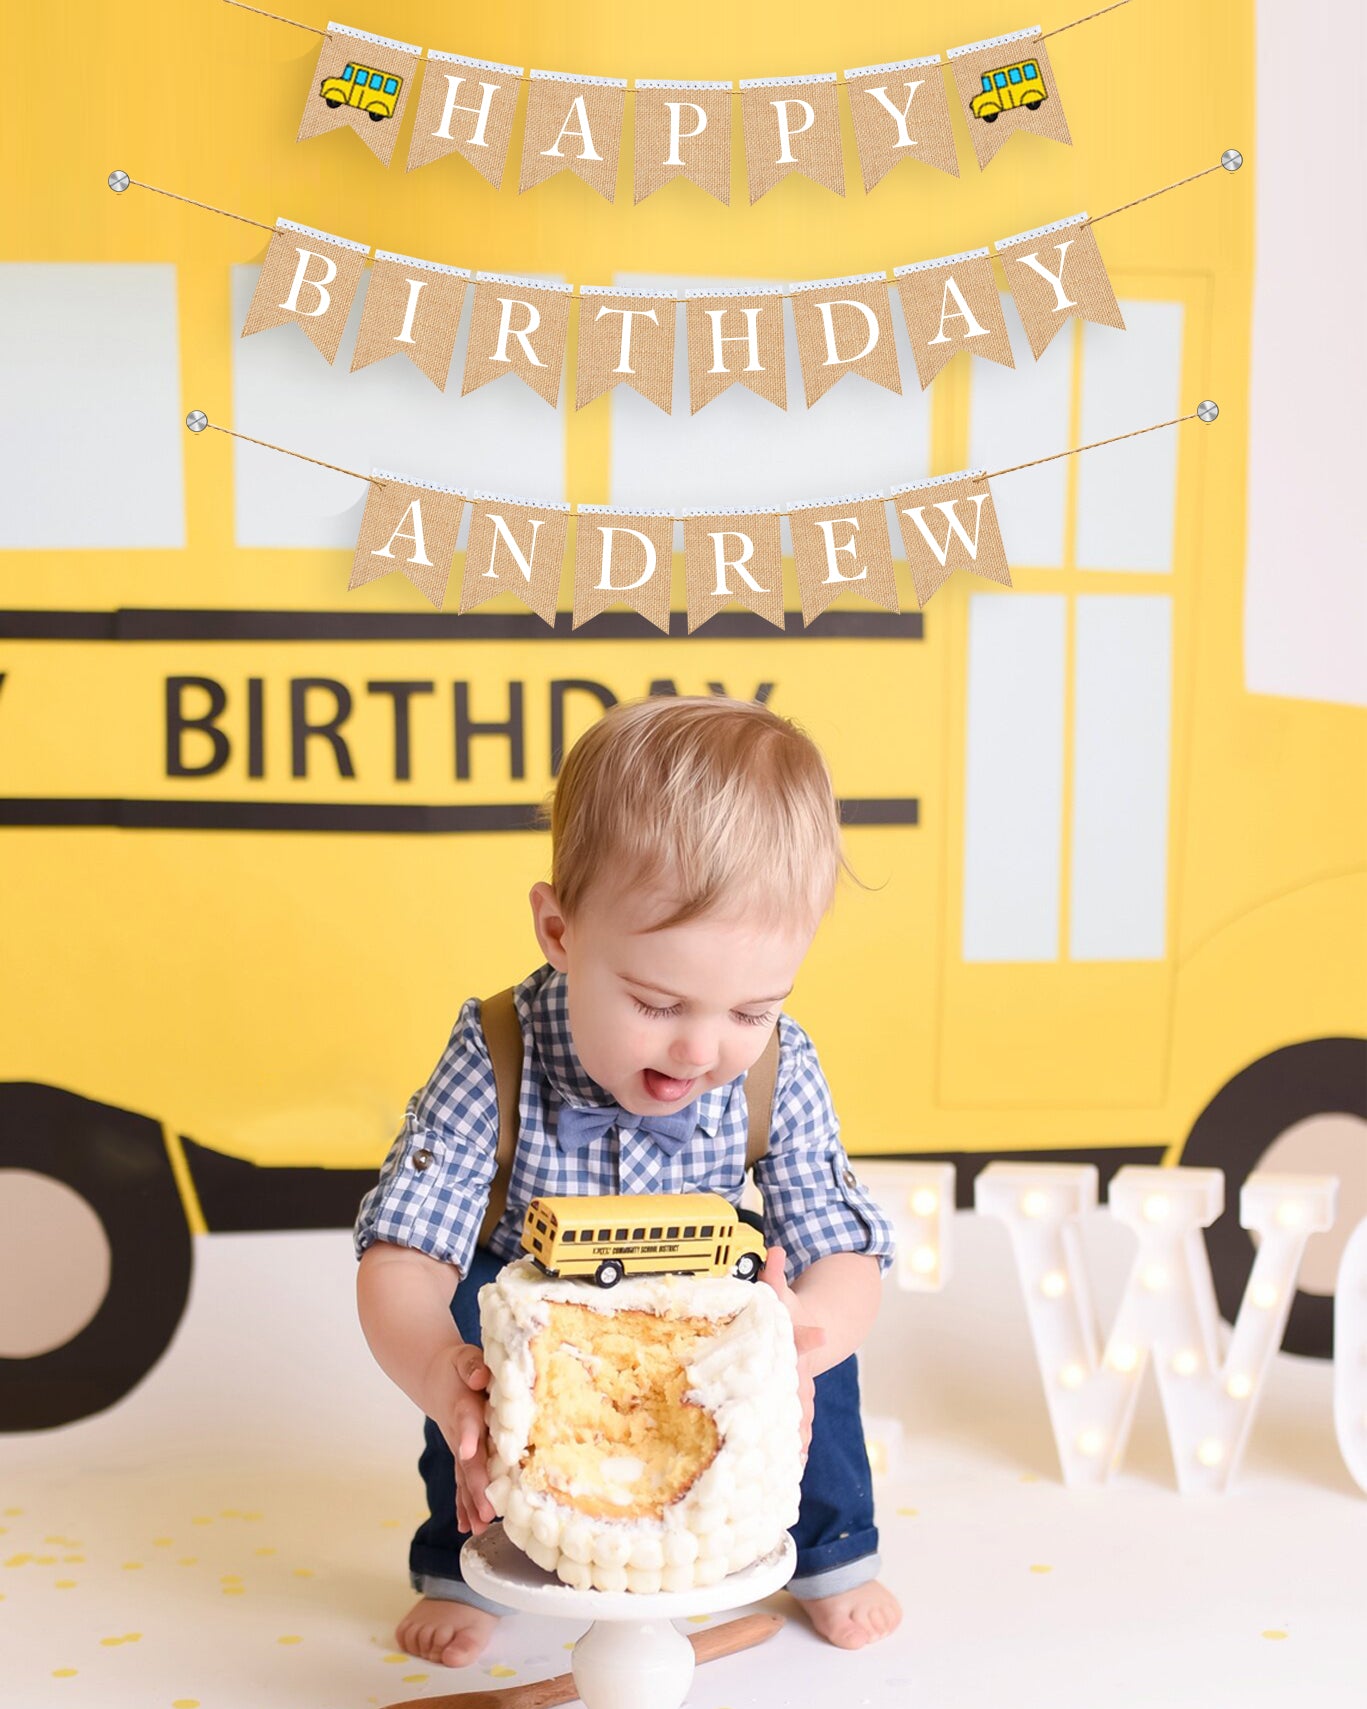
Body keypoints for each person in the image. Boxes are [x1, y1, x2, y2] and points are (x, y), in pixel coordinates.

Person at [354, 694, 900, 1668]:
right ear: (559, 932)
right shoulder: (496, 1052)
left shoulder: (780, 1065)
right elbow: (404, 1250)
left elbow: (842, 1243)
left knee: (821, 1347)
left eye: (750, 1008)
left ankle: (828, 1547)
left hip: (704, 1305)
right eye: (655, 1001)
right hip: (546, 1306)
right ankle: (463, 1547)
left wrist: (796, 1338)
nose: (700, 1047)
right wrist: (437, 1368)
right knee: (477, 1347)